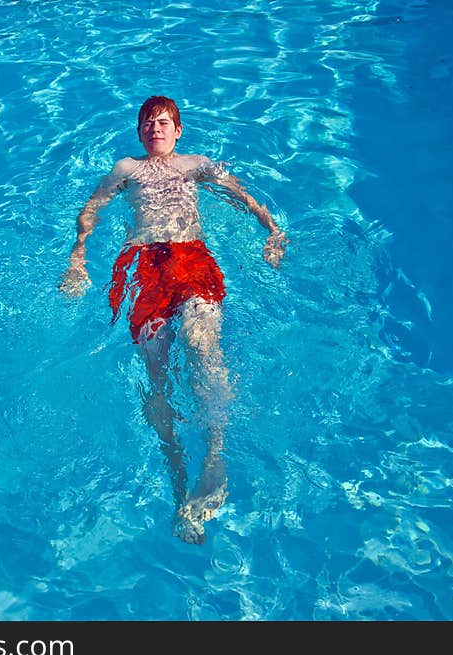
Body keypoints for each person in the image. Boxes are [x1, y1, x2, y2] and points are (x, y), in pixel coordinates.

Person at [59, 95, 287, 544]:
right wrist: (77, 259)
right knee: (156, 374)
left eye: (164, 122)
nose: (155, 129)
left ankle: (215, 457)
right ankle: (177, 478)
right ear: (139, 132)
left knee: (204, 348)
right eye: (147, 123)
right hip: (143, 264)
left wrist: (274, 233)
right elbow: (91, 211)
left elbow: (240, 194)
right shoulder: (127, 169)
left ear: (178, 130)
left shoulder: (195, 165)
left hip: (191, 258)